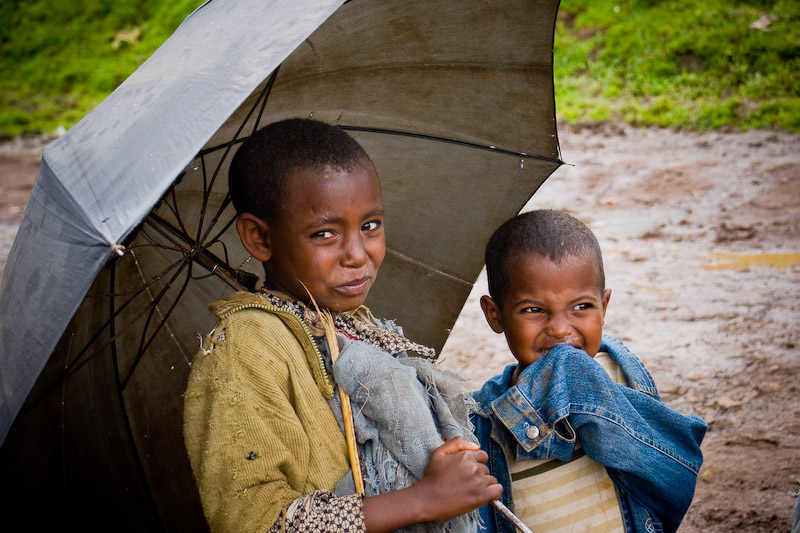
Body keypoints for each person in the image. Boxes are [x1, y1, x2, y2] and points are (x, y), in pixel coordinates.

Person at [183, 118, 501, 533]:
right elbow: (253, 522)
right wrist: (421, 500)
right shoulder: (244, 347)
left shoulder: (354, 324)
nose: (357, 254)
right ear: (259, 238)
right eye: (325, 233)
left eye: (370, 226)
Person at [471, 209, 708, 533]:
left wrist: (576, 379)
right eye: (534, 310)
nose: (559, 329)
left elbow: (675, 476)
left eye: (581, 306)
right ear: (495, 315)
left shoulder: (622, 377)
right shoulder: (484, 421)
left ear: (604, 306)